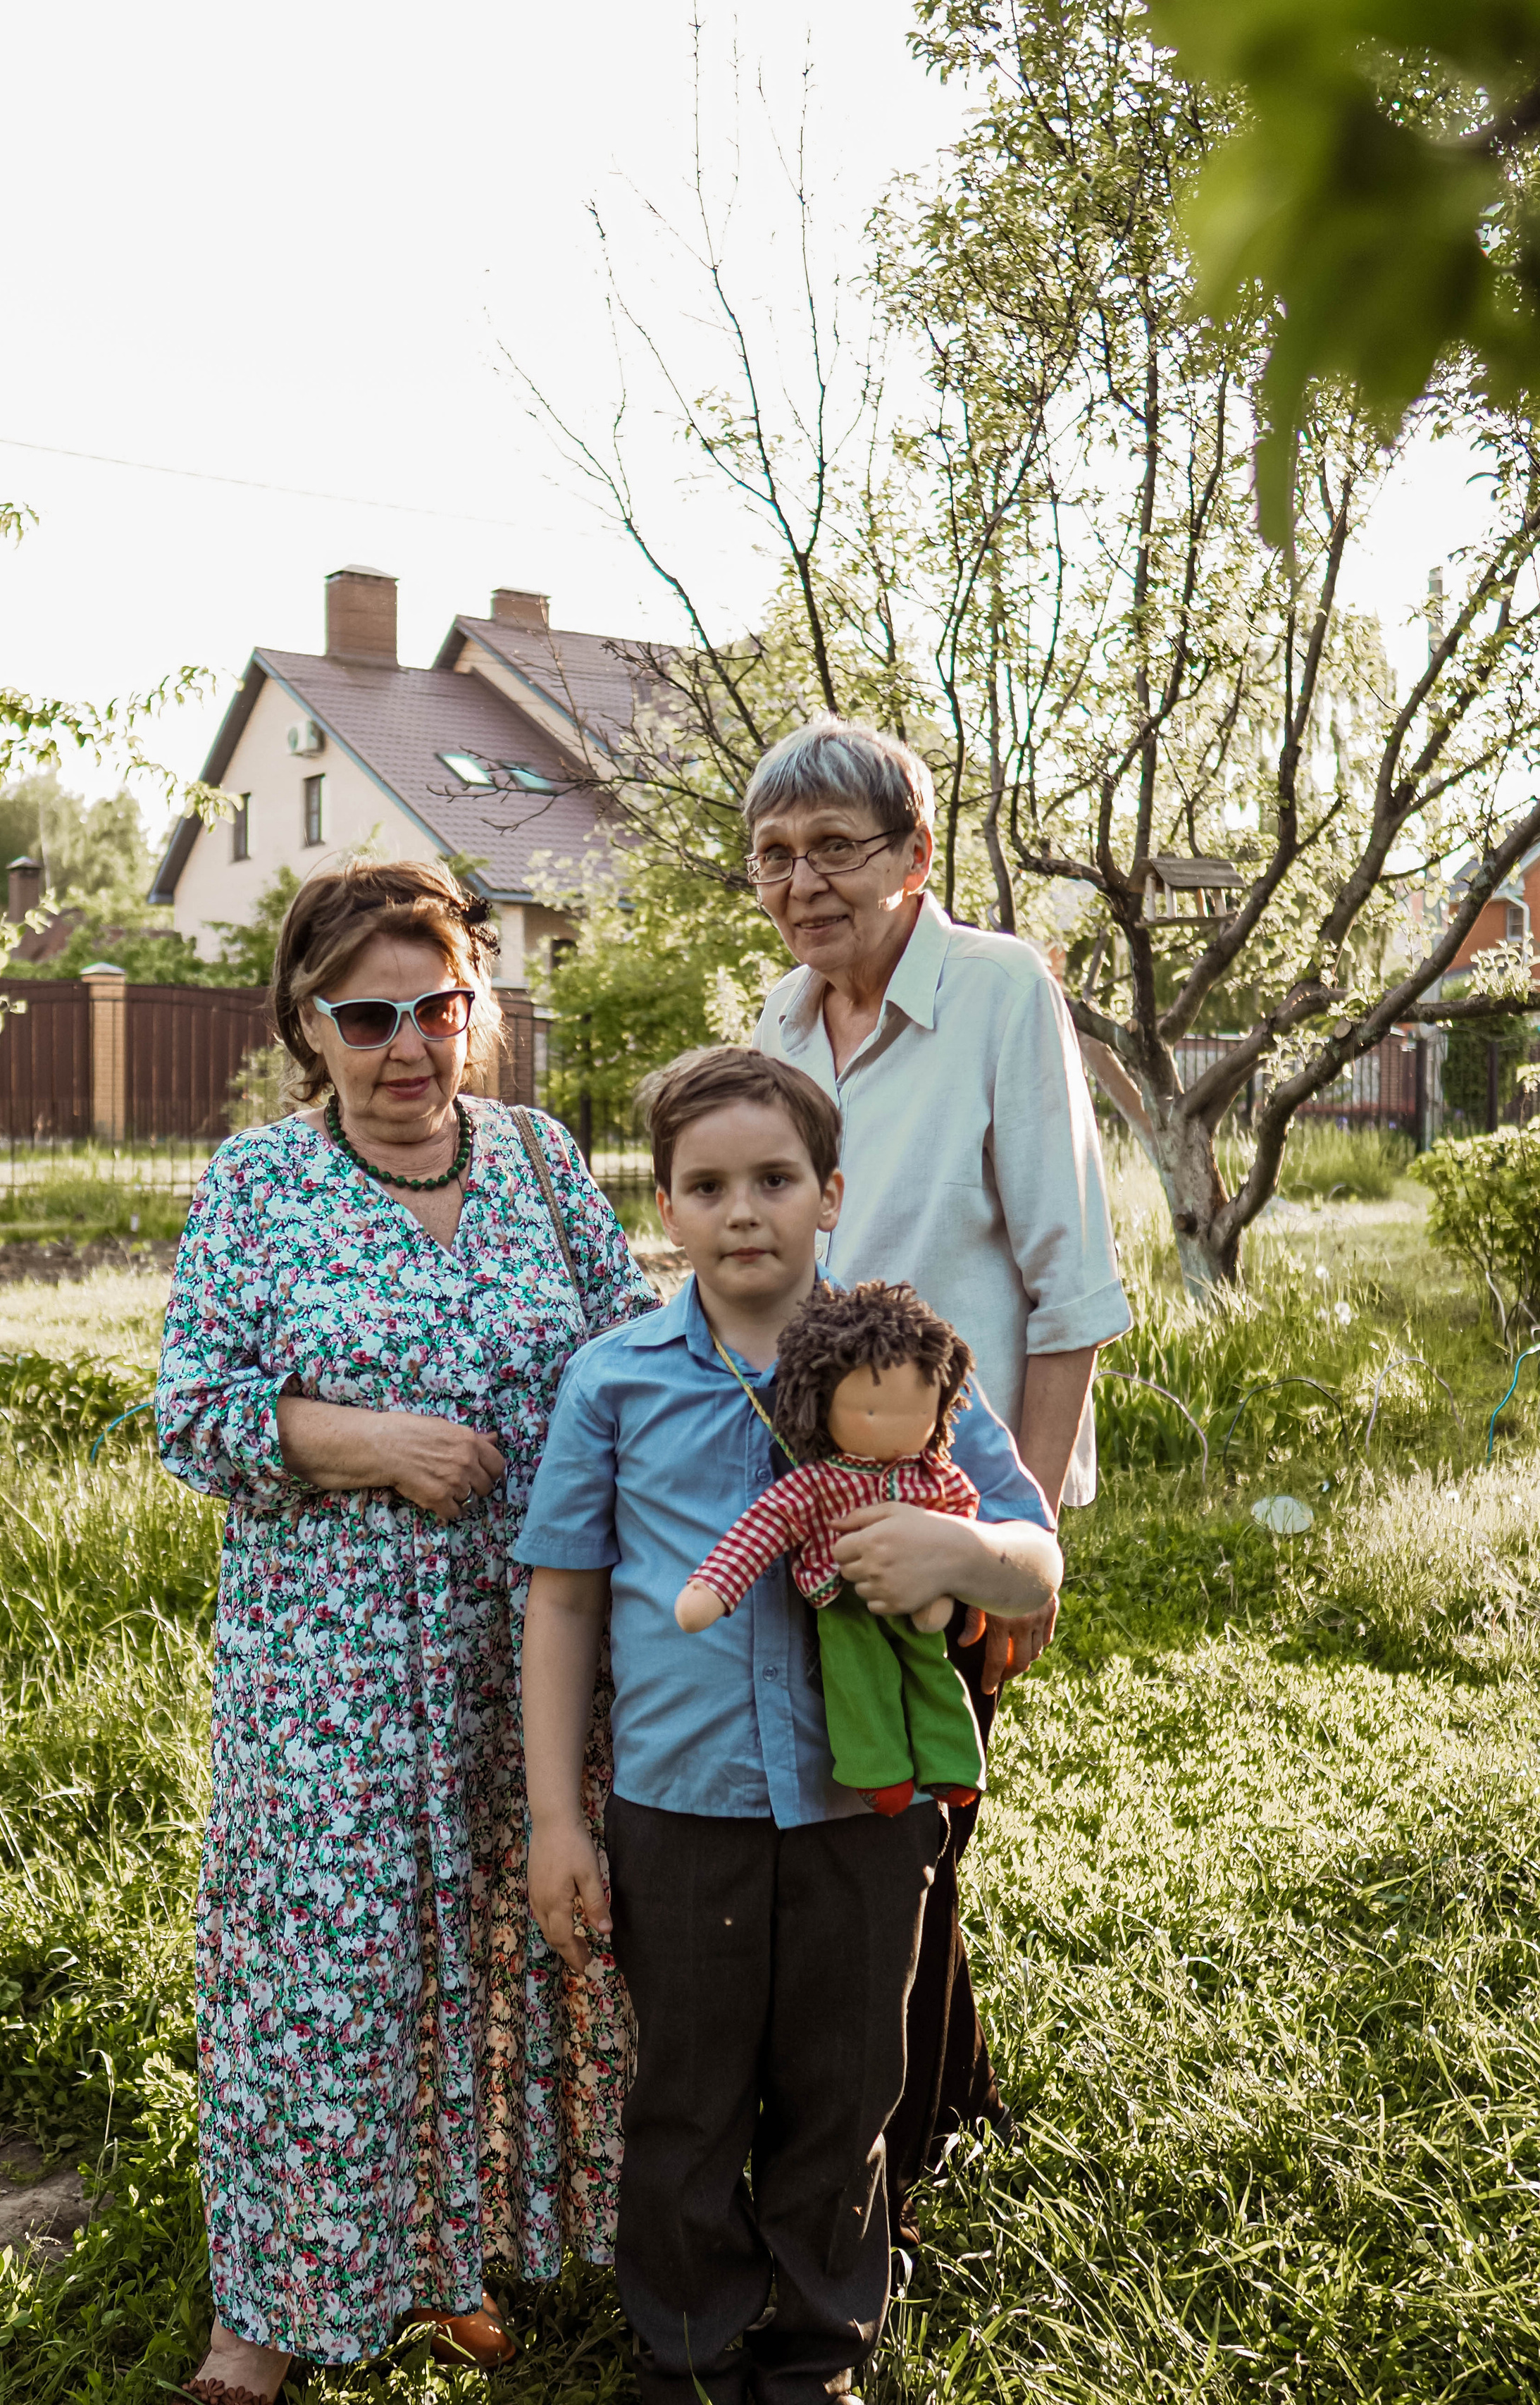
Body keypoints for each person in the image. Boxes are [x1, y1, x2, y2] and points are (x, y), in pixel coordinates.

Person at [156, 859, 657, 2404]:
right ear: (307, 1026)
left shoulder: (541, 1161)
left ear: (479, 1006)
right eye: (364, 1015)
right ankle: (268, 2315)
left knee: (514, 1953)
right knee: (328, 1976)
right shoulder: (254, 1184)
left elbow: (642, 1356)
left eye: (437, 1006)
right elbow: (192, 1412)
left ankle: (446, 2266)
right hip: (335, 1673)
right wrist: (371, 1443)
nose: (405, 1046)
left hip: (539, 1651)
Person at [518, 1046, 1062, 2405]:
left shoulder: (912, 1364)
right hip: (679, 1800)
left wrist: (956, 1554)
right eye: (707, 1184)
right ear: (665, 1209)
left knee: (844, 2084)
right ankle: (689, 2348)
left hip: (863, 1809)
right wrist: (555, 1821)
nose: (742, 1209)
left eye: (774, 1178)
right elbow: (566, 1606)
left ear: (832, 1193)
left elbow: (1033, 1556)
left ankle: (821, 2343)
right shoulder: (616, 1382)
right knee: (689, 2092)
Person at [745, 714, 1131, 2202]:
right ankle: (955, 2098)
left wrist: (1014, 1536)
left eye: (835, 848)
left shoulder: (994, 991)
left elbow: (1068, 1277)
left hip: (954, 1489)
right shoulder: (772, 1024)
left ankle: (890, 2157)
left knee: (899, 1821)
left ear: (913, 858)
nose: (802, 883)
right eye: (773, 857)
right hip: (818, 1497)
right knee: (884, 1811)